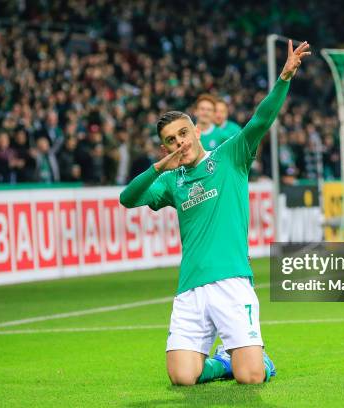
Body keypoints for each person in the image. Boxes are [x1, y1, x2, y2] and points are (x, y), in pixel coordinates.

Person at [120, 40, 310, 385]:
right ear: (165, 147)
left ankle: (254, 360)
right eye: (170, 139)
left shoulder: (230, 157)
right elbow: (127, 198)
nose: (180, 142)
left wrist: (284, 78)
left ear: (196, 131)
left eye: (183, 133)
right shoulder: (169, 182)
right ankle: (222, 362)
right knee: (182, 377)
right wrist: (159, 167)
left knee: (251, 377)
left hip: (231, 281)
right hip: (190, 288)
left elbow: (260, 120)